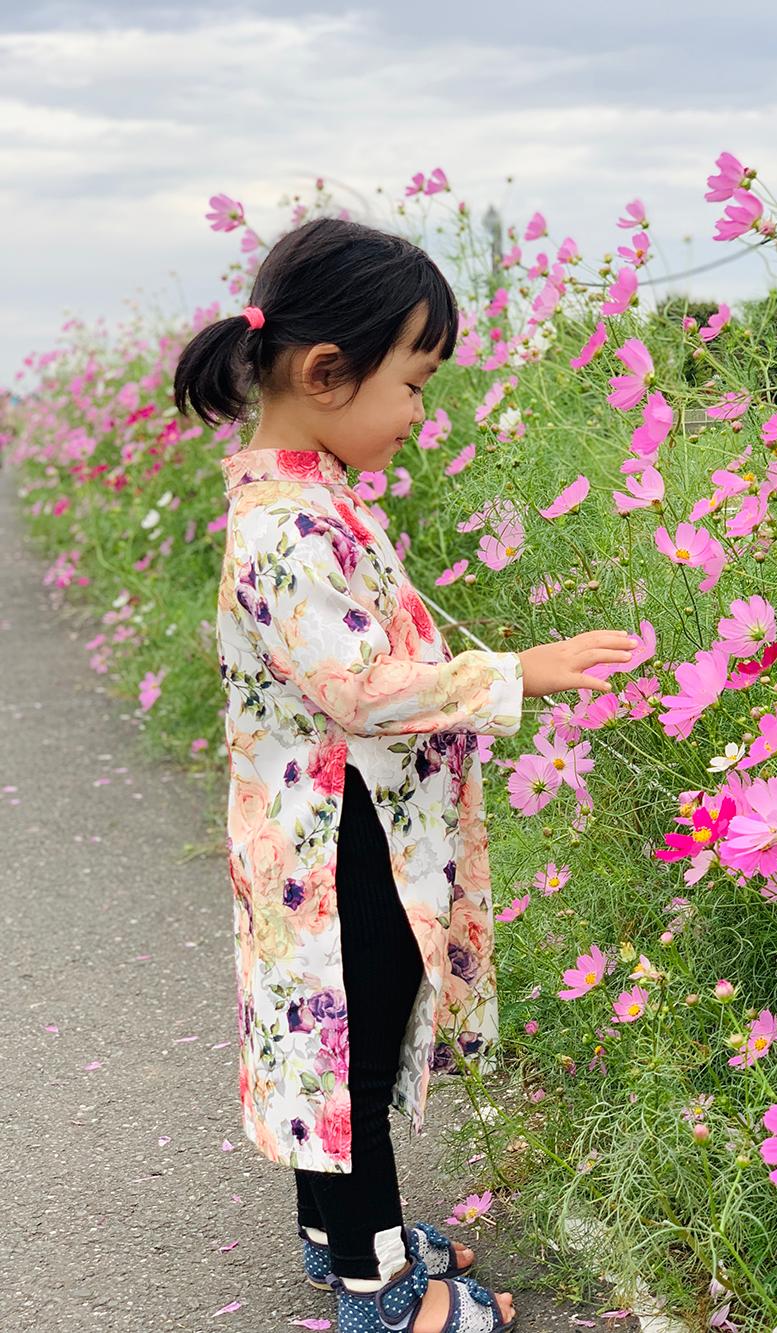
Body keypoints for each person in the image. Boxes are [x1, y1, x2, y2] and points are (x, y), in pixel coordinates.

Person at [173, 216, 640, 1333]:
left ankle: (345, 1241)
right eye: (416, 383)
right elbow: (358, 688)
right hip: (336, 841)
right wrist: (513, 671)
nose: (422, 414)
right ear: (326, 373)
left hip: (340, 824)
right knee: (349, 1053)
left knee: (330, 1048)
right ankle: (383, 1295)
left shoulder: (308, 492)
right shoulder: (284, 525)